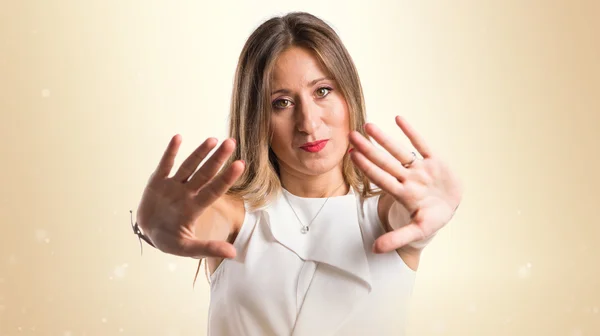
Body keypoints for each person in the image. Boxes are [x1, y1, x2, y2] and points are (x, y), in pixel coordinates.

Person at [133, 11, 462, 336]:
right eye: (282, 102)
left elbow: (406, 219)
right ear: (257, 118)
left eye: (322, 91)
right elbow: (198, 224)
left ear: (349, 96)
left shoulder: (385, 217)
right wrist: (156, 227)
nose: (308, 123)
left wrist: (426, 212)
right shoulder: (235, 216)